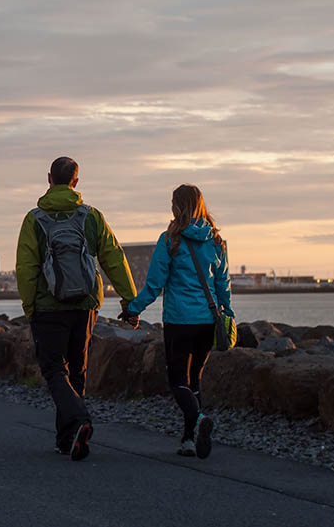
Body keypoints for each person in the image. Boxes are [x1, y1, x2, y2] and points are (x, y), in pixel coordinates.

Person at [16, 156, 138, 461]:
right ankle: (68, 439)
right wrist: (129, 301)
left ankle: (77, 422)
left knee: (55, 369)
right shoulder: (91, 216)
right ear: (76, 182)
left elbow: (26, 267)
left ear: (49, 179)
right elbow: (114, 257)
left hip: (48, 305)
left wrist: (29, 306)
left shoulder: (34, 219)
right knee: (77, 369)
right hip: (84, 304)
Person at [122, 184, 233, 459]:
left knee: (178, 381)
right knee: (194, 379)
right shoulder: (216, 241)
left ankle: (197, 420)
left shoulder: (169, 239)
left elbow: (154, 284)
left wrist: (133, 309)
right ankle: (188, 441)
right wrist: (227, 314)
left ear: (176, 206)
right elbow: (223, 284)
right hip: (207, 321)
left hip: (179, 321)